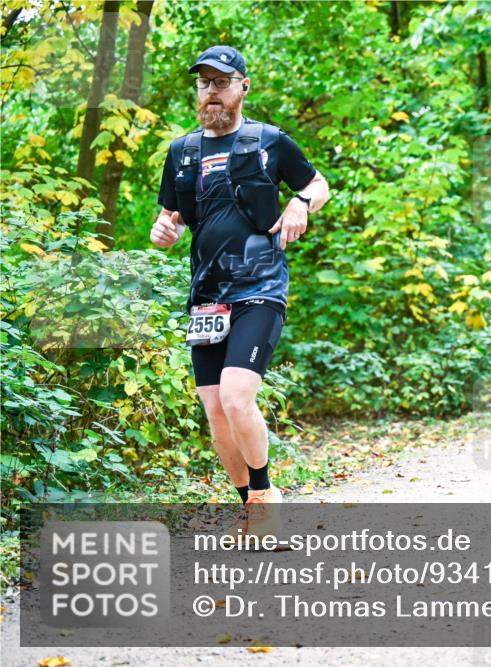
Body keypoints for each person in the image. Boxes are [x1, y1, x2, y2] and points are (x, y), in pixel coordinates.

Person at [149, 46, 330, 535]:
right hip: (207, 295)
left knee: (235, 396)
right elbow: (171, 218)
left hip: (260, 286)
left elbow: (318, 184)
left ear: (243, 87)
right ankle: (250, 506)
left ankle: (266, 499)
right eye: (204, 83)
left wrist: (299, 204)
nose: (212, 91)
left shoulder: (268, 141)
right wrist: (162, 231)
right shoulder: (182, 152)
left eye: (222, 82)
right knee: (214, 410)